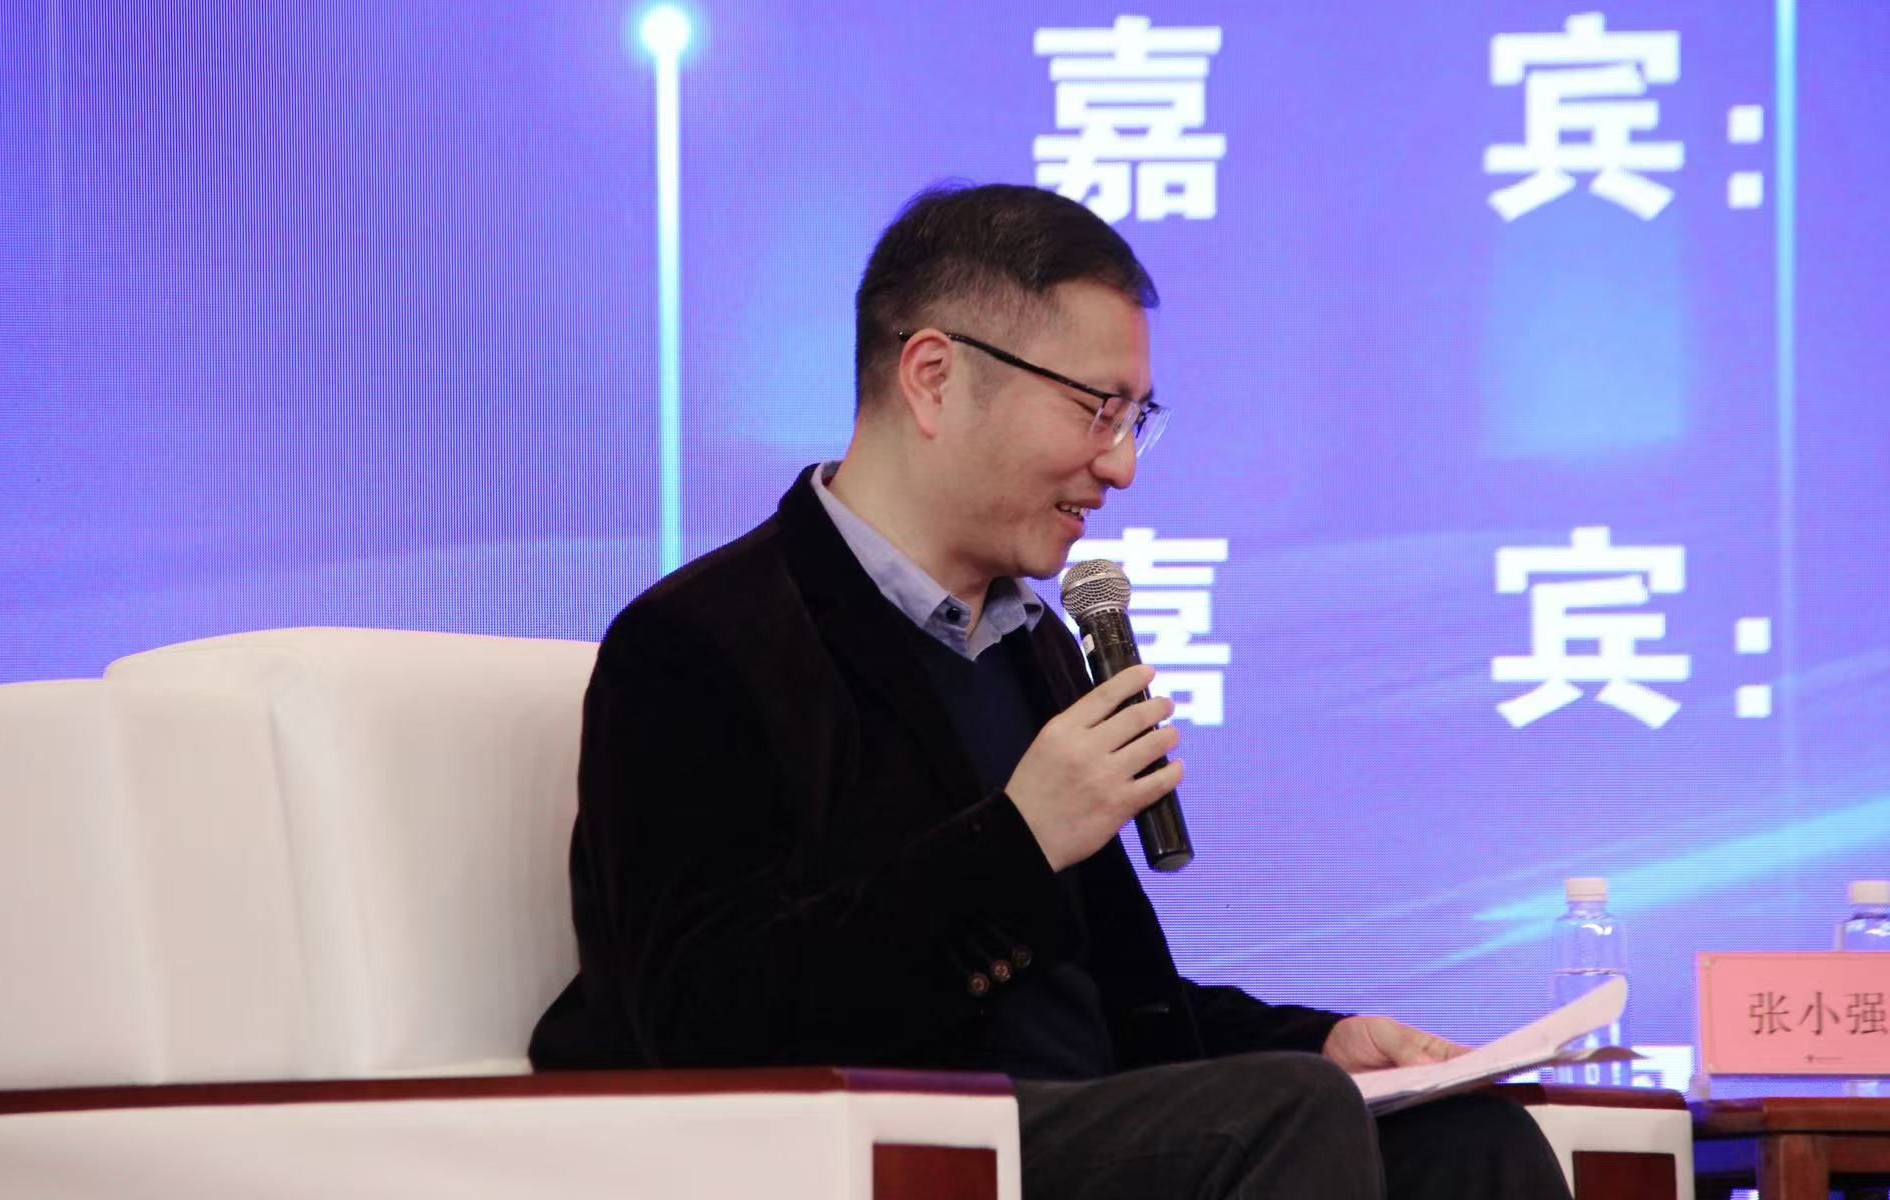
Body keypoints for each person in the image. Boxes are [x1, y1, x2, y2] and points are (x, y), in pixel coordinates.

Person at [530, 183, 1570, 1199]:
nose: (1120, 467)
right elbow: (706, 1019)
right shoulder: (700, 644)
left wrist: (1320, 1042)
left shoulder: (1034, 644)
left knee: (1467, 1140)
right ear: (934, 377)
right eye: (1096, 409)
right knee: (1289, 1115)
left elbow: (1098, 1006)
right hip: (901, 1152)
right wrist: (1018, 840)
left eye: (1136, 418)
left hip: (1075, 1135)